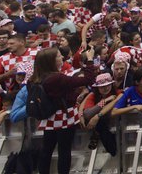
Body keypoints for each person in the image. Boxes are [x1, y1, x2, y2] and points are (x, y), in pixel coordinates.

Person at [34, 46, 97, 174]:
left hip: (48, 117)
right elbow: (88, 79)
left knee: (47, 149)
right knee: (64, 151)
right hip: (63, 116)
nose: (62, 57)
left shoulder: (38, 76)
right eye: (58, 56)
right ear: (51, 61)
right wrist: (90, 60)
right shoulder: (56, 78)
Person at [79, 73, 120, 155]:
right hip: (100, 127)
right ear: (97, 88)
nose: (105, 88)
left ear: (112, 84)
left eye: (108, 85)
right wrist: (104, 101)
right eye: (102, 87)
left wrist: (97, 116)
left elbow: (117, 100)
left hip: (118, 127)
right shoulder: (93, 95)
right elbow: (87, 114)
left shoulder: (118, 92)